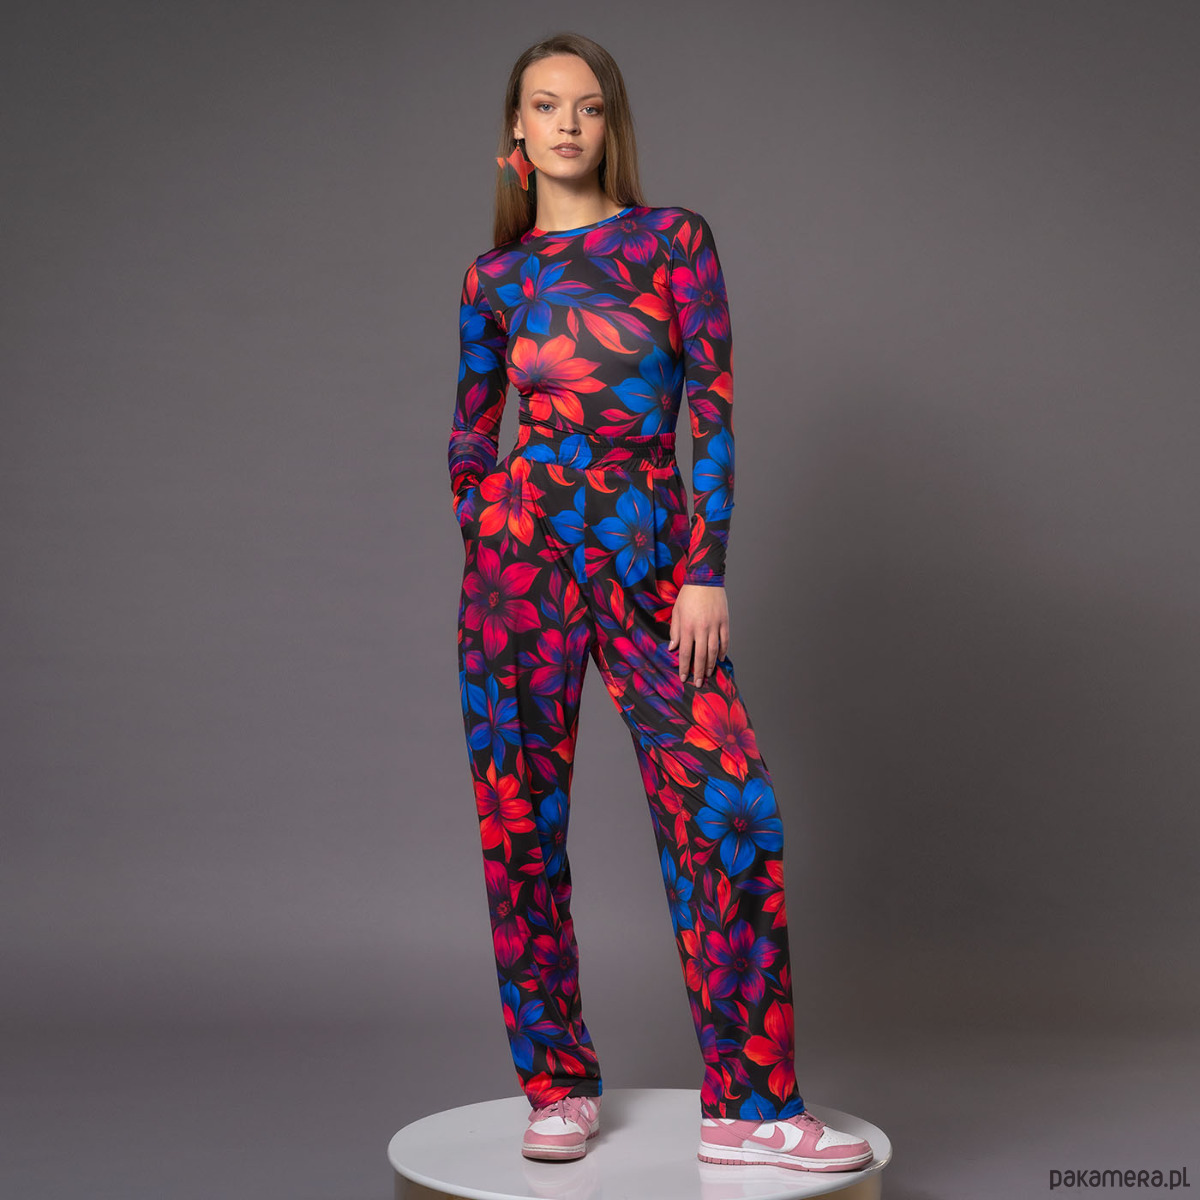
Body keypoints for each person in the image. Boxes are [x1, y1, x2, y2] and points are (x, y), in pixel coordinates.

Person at [447, 31, 873, 1174]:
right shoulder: (494, 280)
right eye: (546, 105)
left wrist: (706, 566)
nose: (568, 123)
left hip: (650, 565)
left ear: (610, 124)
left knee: (731, 807)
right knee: (520, 829)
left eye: (587, 106)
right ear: (516, 130)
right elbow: (470, 427)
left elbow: (712, 409)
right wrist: (486, 524)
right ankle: (555, 1085)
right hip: (518, 577)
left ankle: (750, 1107)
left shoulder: (673, 241)